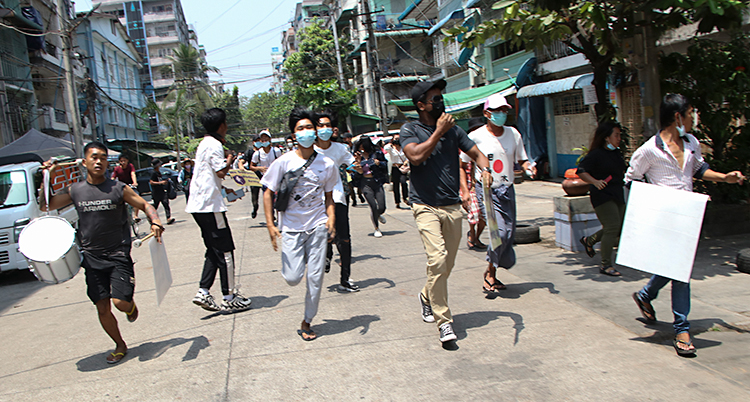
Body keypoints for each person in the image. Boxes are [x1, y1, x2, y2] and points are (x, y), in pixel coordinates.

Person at [627, 94, 745, 356]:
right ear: (677, 117)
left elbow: (699, 170)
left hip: (687, 217)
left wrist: (725, 178)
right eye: (691, 113)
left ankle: (646, 295)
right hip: (662, 220)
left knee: (674, 267)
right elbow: (631, 181)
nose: (693, 119)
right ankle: (682, 328)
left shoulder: (692, 142)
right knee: (681, 273)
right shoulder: (649, 150)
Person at [39, 141, 164, 364]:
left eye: (103, 158)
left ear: (108, 162)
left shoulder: (117, 188)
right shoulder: (75, 190)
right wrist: (46, 178)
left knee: (120, 303)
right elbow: (45, 205)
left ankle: (130, 305)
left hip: (118, 254)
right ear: (85, 161)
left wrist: (154, 220)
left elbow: (145, 204)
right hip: (92, 257)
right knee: (102, 307)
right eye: (94, 157)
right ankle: (120, 344)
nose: (99, 161)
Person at [400, 79, 493, 344]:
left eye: (442, 97)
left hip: (452, 205)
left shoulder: (454, 131)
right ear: (421, 105)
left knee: (447, 264)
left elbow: (477, 154)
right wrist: (438, 132)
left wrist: (485, 170)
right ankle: (445, 321)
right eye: (435, 99)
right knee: (437, 259)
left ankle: (427, 295)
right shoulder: (410, 129)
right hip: (424, 205)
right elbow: (415, 157)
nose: (441, 103)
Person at [261, 106, 337, 341]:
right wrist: (271, 225)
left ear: (316, 131)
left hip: (317, 226)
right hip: (291, 228)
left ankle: (307, 321)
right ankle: (299, 263)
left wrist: (331, 218)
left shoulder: (327, 164)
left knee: (315, 278)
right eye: (300, 128)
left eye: (309, 127)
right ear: (293, 135)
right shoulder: (283, 162)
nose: (305, 132)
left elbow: (328, 196)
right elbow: (267, 192)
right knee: (293, 277)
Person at [462, 94, 536, 293]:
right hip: (486, 191)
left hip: (507, 191)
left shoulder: (514, 134)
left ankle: (492, 272)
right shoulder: (476, 136)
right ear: (487, 113)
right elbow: (462, 164)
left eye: (505, 110)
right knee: (499, 233)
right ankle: (490, 273)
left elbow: (522, 160)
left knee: (508, 234)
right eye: (498, 111)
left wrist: (529, 167)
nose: (502, 114)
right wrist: (465, 191)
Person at [186, 108, 252, 313]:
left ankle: (203, 292)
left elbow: (208, 177)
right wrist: (230, 158)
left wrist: (225, 189)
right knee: (225, 251)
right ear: (221, 125)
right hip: (210, 207)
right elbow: (221, 171)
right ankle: (229, 296)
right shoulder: (215, 145)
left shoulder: (203, 144)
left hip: (200, 205)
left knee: (213, 250)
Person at [314, 110, 358, 292]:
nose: (324, 129)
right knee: (321, 236)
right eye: (320, 125)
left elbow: (353, 164)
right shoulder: (309, 148)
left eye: (327, 125)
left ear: (333, 129)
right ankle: (325, 254)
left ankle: (345, 279)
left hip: (337, 197)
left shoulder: (340, 149)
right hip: (315, 200)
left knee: (344, 239)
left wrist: (358, 168)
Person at [577, 122, 627, 277]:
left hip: (617, 192)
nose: (619, 138)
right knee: (612, 227)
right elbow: (581, 171)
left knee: (619, 227)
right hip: (602, 195)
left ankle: (590, 240)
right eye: (616, 135)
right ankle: (606, 264)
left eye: (620, 135)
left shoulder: (617, 153)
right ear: (607, 138)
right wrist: (594, 181)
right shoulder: (596, 154)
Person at [460, 117, 487, 251]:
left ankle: (476, 236)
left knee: (485, 216)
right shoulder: (464, 149)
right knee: (474, 213)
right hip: (468, 187)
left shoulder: (485, 147)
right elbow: (461, 169)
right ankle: (471, 233)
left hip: (482, 187)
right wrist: (465, 190)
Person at [352, 137, 388, 238]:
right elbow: (353, 171)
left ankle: (378, 215)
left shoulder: (376, 153)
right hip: (365, 182)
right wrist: (357, 164)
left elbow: (385, 164)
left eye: (363, 146)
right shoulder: (357, 156)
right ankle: (376, 228)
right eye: (360, 146)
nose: (361, 148)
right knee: (373, 205)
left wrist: (378, 163)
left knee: (381, 206)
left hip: (376, 181)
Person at [249, 129, 280, 219]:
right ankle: (271, 219)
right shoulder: (257, 153)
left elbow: (282, 163)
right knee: (268, 201)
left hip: (276, 179)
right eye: (262, 138)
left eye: (266, 137)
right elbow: (251, 166)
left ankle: (279, 220)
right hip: (266, 180)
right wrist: (259, 168)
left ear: (270, 139)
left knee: (277, 201)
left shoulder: (276, 151)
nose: (264, 139)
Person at [111, 153, 140, 221]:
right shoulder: (117, 169)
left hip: (130, 185)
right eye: (121, 161)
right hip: (122, 187)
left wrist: (134, 182)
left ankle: (135, 216)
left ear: (127, 160)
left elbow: (133, 174)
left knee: (136, 200)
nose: (123, 162)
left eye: (124, 160)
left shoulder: (130, 166)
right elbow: (113, 177)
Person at [384, 134, 410, 208]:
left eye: (398, 138)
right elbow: (385, 148)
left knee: (404, 182)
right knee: (396, 185)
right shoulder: (391, 148)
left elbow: (408, 155)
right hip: (395, 167)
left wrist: (406, 161)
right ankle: (397, 202)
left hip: (402, 167)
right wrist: (390, 142)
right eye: (396, 138)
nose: (397, 140)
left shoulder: (403, 147)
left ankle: (405, 197)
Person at [149, 159, 175, 225]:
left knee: (166, 204)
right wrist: (160, 183)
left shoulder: (158, 172)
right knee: (155, 206)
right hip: (156, 192)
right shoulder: (153, 173)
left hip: (162, 191)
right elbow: (151, 182)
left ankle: (168, 218)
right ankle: (151, 217)